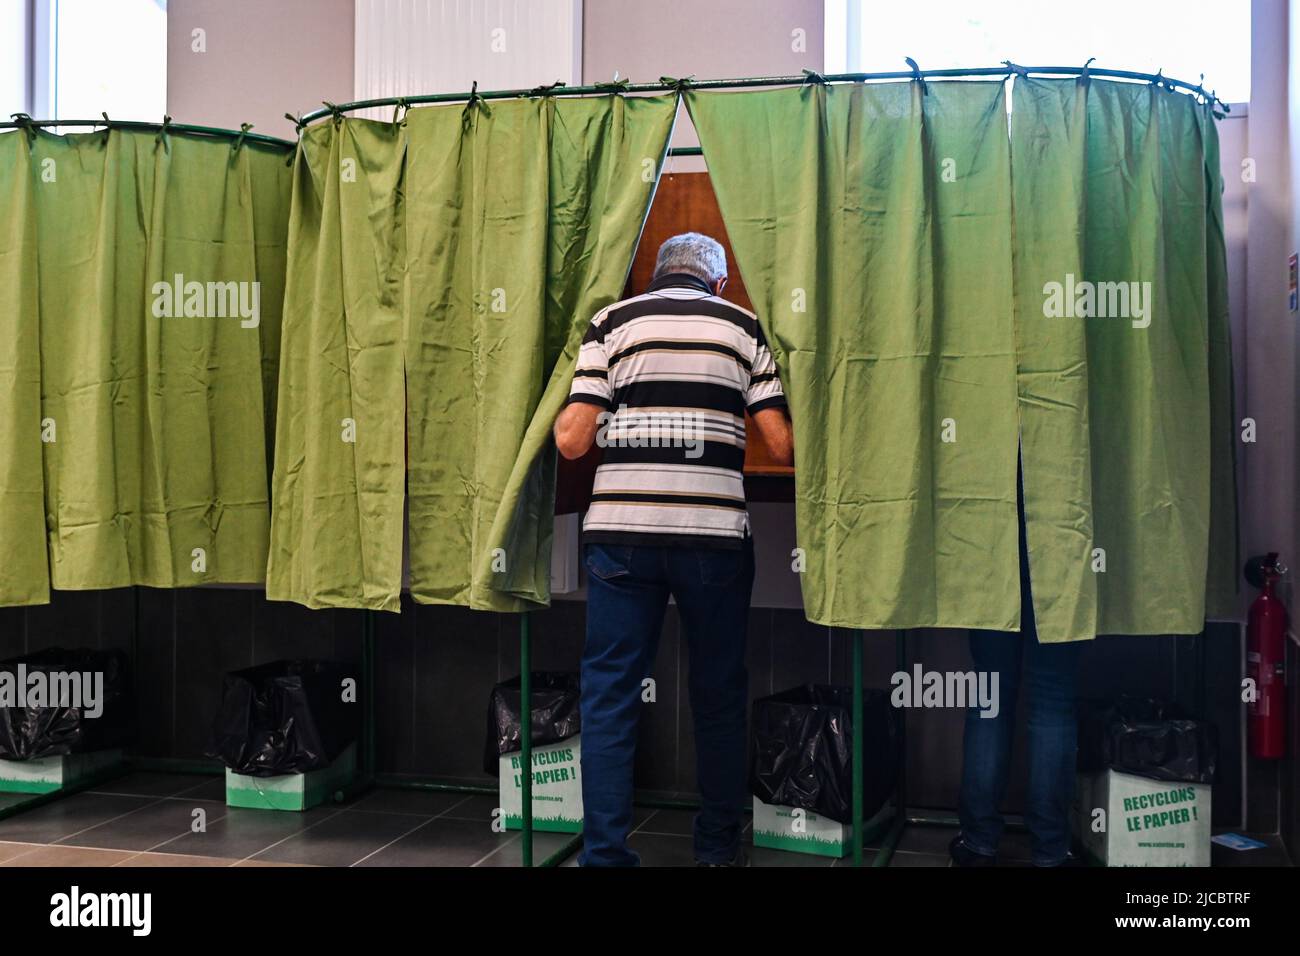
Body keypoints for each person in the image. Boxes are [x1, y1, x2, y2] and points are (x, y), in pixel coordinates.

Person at [553, 232, 794, 867]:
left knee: (609, 694)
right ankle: (716, 850)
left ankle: (604, 855)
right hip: (711, 539)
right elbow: (780, 445)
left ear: (656, 278)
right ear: (716, 285)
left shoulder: (612, 322)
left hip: (621, 537)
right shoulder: (744, 328)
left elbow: (574, 442)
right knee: (717, 694)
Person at [950, 467, 1085, 867]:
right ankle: (1051, 849)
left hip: (991, 536)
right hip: (1060, 530)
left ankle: (978, 843)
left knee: (990, 695)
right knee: (1053, 699)